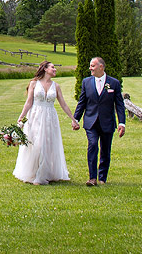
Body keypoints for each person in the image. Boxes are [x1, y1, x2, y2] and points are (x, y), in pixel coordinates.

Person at [12, 60, 73, 185]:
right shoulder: (34, 84)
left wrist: (73, 119)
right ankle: (33, 172)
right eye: (52, 67)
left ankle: (44, 174)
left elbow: (63, 104)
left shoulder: (56, 86)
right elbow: (29, 102)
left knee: (47, 145)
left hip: (50, 117)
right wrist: (21, 117)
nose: (55, 69)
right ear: (45, 69)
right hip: (35, 116)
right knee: (36, 144)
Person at [71, 56, 126, 186]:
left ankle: (102, 178)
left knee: (105, 150)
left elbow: (119, 105)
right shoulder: (86, 82)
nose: (90, 68)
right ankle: (92, 178)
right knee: (93, 145)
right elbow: (82, 102)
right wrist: (75, 119)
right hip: (91, 122)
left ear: (101, 67)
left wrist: (121, 123)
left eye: (92, 66)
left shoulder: (114, 83)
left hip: (107, 122)